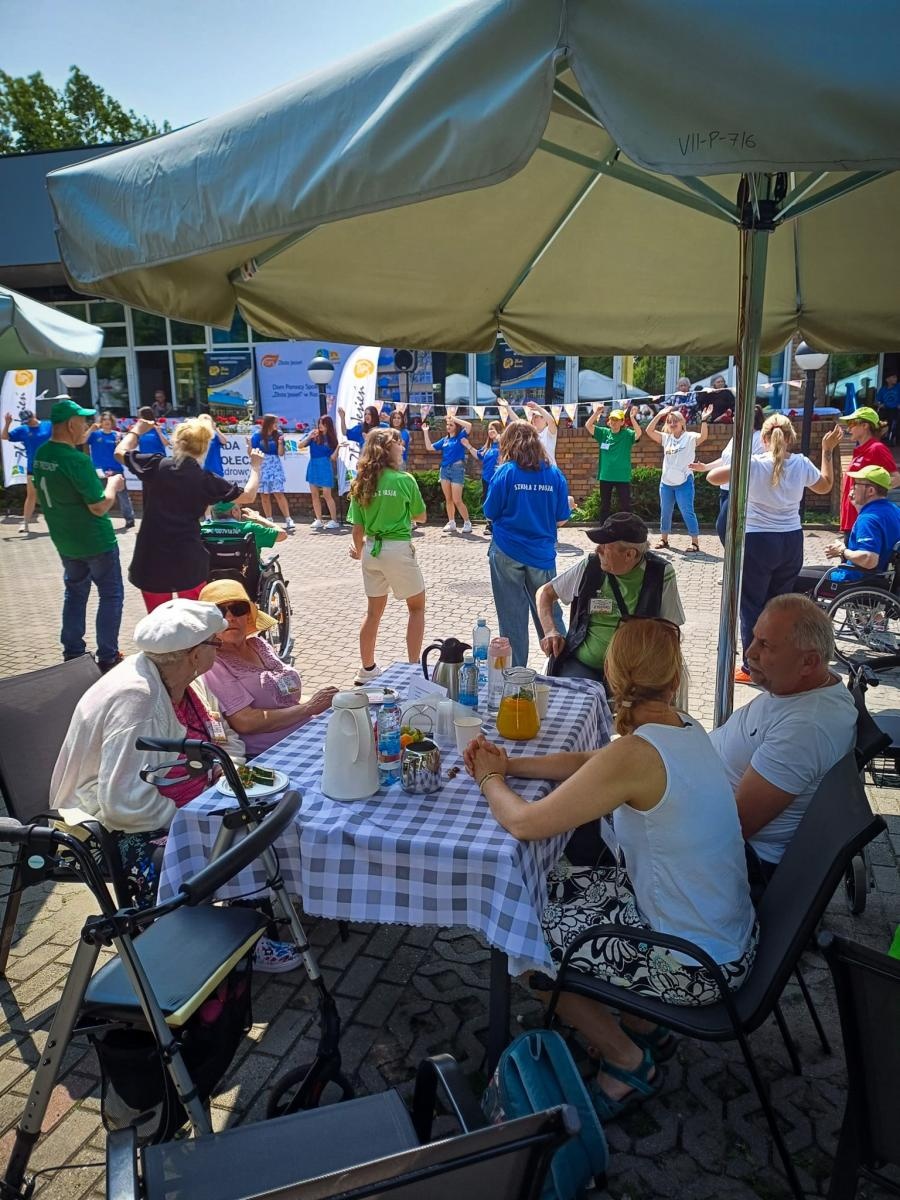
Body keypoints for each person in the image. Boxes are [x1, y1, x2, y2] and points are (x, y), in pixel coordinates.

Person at [464, 618, 757, 1118]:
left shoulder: (637, 753)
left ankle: (627, 1060)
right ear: (675, 678)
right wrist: (512, 767)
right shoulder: (684, 727)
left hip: (695, 967)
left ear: (613, 676)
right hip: (725, 938)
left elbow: (525, 823)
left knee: (521, 936)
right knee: (551, 885)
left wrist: (491, 779)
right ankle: (644, 1024)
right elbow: (596, 762)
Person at [709, 595, 857, 892]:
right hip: (706, 803)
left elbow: (736, 825)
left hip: (738, 860)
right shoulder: (802, 688)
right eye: (754, 639)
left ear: (809, 662)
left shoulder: (806, 729)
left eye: (766, 645)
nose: (750, 653)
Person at [707, 414, 842, 683]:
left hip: (758, 541)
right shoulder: (802, 463)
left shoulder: (754, 464)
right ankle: (778, 662)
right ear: (790, 438)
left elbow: (713, 477)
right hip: (791, 540)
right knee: (779, 606)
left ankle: (752, 667)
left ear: (764, 438)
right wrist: (826, 451)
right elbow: (826, 485)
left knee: (751, 606)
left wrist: (741, 461)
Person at [116, 416, 263, 611]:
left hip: (151, 558)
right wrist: (255, 466)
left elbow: (120, 452)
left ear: (177, 441)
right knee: (194, 623)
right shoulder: (205, 479)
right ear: (204, 447)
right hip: (187, 559)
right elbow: (248, 496)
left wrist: (136, 430)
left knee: (159, 623)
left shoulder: (157, 465)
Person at [537, 513, 684, 689]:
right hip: (584, 666)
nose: (598, 549)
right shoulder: (590, 565)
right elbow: (545, 593)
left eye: (605, 545)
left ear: (629, 554)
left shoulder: (661, 573)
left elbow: (669, 632)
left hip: (635, 674)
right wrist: (550, 631)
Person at [33, 398, 126, 672]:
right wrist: (113, 485)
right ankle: (108, 656)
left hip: (65, 539)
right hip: (95, 539)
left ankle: (73, 652)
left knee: (75, 593)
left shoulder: (43, 454)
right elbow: (98, 507)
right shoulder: (76, 459)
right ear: (71, 424)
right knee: (111, 595)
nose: (86, 424)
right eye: (83, 420)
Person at [199, 579, 338, 756]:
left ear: (248, 615)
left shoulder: (258, 644)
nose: (230, 617)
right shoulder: (215, 663)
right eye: (220, 612)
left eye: (238, 609)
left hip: (307, 732)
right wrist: (309, 708)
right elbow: (245, 721)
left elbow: (285, 698)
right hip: (275, 751)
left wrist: (330, 700)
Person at [484, 422, 571, 667]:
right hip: (541, 555)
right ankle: (562, 667)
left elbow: (490, 512)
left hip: (507, 551)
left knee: (511, 619)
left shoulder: (506, 472)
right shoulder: (554, 474)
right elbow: (562, 517)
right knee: (550, 614)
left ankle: (516, 676)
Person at [346, 427, 428, 684]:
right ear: (386, 449)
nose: (402, 447)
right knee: (416, 608)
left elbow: (356, 527)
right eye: (398, 444)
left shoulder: (361, 482)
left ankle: (367, 670)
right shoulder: (404, 480)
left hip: (372, 549)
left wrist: (358, 550)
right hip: (397, 549)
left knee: (373, 613)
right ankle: (415, 668)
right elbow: (421, 516)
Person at [793, 465, 900, 597]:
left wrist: (842, 551)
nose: (852, 487)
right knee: (804, 571)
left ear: (870, 490)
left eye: (856, 484)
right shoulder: (893, 510)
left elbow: (869, 559)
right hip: (879, 579)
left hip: (854, 580)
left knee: (793, 576)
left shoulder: (869, 519)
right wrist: (857, 506)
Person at [693, 406, 765, 548]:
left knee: (722, 527)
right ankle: (738, 561)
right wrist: (705, 467)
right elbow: (725, 459)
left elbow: (755, 467)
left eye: (737, 416)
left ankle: (739, 559)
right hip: (725, 490)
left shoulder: (758, 438)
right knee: (728, 530)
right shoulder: (736, 436)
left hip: (740, 490)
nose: (733, 418)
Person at [644, 405, 709, 553]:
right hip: (666, 483)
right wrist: (660, 414)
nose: (672, 424)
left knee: (687, 511)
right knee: (665, 511)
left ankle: (695, 542)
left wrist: (704, 420)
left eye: (675, 421)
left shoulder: (690, 437)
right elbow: (648, 431)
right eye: (669, 421)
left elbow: (704, 437)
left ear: (682, 422)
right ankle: (664, 539)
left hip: (684, 482)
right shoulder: (666, 438)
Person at [837, 406, 899, 534]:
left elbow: (896, 478)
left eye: (852, 423)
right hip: (851, 520)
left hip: (863, 519)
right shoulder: (861, 450)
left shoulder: (877, 448)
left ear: (865, 425)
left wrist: (874, 493)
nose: (849, 428)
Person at [584, 405, 642, 524]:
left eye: (617, 420)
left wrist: (632, 417)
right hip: (606, 476)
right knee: (605, 505)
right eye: (612, 419)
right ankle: (604, 529)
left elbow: (639, 433)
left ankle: (628, 529)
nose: (613, 422)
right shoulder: (603, 433)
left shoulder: (627, 434)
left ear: (622, 422)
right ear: (608, 421)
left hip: (622, 476)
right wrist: (596, 413)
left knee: (625, 505)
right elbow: (588, 426)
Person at [421, 410, 473, 533]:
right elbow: (429, 447)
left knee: (457, 500)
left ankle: (467, 522)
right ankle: (451, 522)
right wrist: (425, 432)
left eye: (451, 425)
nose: (448, 427)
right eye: (448, 425)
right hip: (445, 470)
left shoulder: (461, 436)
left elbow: (469, 426)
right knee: (448, 499)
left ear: (456, 426)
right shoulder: (444, 440)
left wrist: (453, 418)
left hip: (457, 469)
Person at [2, 408, 51, 533]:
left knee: (54, 495)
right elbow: (4, 436)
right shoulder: (23, 430)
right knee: (31, 495)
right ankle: (25, 523)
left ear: (34, 415)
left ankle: (60, 522)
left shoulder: (48, 425)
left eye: (29, 420)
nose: (28, 423)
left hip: (51, 466)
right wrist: (7, 423)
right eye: (26, 421)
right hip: (33, 467)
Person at [86, 411, 136, 530]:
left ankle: (130, 519)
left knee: (122, 495)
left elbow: (128, 448)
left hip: (116, 469)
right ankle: (101, 520)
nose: (107, 424)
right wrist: (90, 429)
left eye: (109, 422)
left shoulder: (117, 435)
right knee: (100, 496)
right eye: (104, 421)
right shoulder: (95, 435)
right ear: (101, 422)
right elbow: (82, 440)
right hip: (99, 470)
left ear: (112, 423)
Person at [250, 414, 295, 532]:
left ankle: (288, 519)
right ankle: (269, 520)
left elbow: (280, 453)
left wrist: (280, 443)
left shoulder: (278, 434)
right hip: (262, 464)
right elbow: (253, 452)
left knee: (278, 493)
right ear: (268, 423)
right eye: (275, 423)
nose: (277, 425)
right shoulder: (257, 436)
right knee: (264, 494)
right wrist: (249, 446)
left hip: (275, 464)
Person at [201, 499, 288, 558]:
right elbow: (282, 535)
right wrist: (259, 519)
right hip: (248, 578)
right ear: (234, 512)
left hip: (211, 576)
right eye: (239, 509)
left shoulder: (202, 529)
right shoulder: (250, 528)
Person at [299, 415, 340, 530]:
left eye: (323, 423)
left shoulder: (332, 438)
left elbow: (332, 458)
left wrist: (338, 448)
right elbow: (300, 445)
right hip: (313, 465)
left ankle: (334, 520)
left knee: (327, 494)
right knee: (314, 494)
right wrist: (309, 437)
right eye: (319, 423)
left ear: (328, 425)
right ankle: (318, 519)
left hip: (325, 465)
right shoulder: (314, 434)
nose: (320, 425)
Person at [472, 420, 502, 533]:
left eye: (493, 428)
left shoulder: (503, 444)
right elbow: (478, 455)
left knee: (498, 500)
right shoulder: (487, 446)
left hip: (499, 478)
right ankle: (489, 524)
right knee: (487, 501)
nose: (490, 431)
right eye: (489, 429)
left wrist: (500, 438)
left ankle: (498, 525)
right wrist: (468, 446)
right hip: (486, 478)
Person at [199, 412, 229, 478]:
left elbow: (224, 441)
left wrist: (216, 429)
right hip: (201, 472)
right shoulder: (197, 436)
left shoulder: (214, 435)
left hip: (216, 471)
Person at [876, 370, 900, 446]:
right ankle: (881, 437)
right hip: (886, 409)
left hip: (896, 409)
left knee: (894, 419)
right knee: (879, 418)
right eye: (893, 377)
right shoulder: (883, 390)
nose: (896, 379)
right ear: (887, 379)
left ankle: (891, 438)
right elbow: (877, 401)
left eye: (896, 377)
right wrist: (880, 404)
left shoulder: (898, 387)